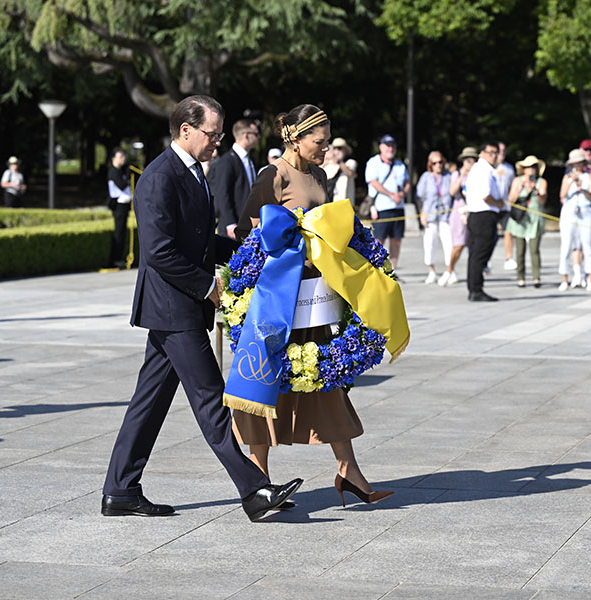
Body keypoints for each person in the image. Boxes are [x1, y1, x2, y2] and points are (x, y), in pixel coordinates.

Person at [101, 95, 302, 522]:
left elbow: (200, 242)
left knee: (149, 403)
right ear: (186, 130)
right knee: (212, 400)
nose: (218, 141)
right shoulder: (159, 177)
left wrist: (252, 250)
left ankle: (120, 490)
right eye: (212, 134)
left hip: (178, 308)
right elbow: (159, 252)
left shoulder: (193, 172)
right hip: (173, 308)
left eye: (220, 134)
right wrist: (208, 285)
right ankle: (253, 490)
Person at [234, 103, 393, 508]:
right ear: (295, 139)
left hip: (315, 297)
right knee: (264, 380)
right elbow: (249, 234)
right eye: (319, 142)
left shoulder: (318, 175)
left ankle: (349, 471)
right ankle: (260, 479)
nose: (326, 149)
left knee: (327, 380)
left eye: (326, 142)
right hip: (278, 299)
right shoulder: (273, 175)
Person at [465, 141, 504, 301]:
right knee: (480, 254)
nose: (494, 156)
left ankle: (474, 288)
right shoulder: (483, 169)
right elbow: (486, 196)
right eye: (491, 152)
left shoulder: (481, 169)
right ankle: (476, 289)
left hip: (478, 215)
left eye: (496, 153)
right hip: (483, 215)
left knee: (476, 253)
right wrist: (499, 203)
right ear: (482, 153)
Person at [210, 118, 259, 239]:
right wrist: (230, 223)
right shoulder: (227, 161)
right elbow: (222, 194)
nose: (259, 137)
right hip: (232, 228)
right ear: (246, 135)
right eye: (256, 134)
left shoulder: (250, 160)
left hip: (249, 225)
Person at [365, 134, 410, 269]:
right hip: (381, 207)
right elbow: (373, 182)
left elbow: (407, 182)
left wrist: (402, 194)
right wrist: (391, 195)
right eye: (387, 146)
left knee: (396, 240)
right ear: (381, 147)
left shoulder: (399, 164)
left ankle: (392, 269)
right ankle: (377, 269)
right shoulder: (374, 162)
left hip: (398, 207)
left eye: (392, 146)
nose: (390, 149)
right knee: (379, 240)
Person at [558, 148, 591, 291]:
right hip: (569, 211)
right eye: (574, 163)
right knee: (566, 245)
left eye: (579, 163)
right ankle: (564, 278)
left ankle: (590, 277)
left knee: (587, 245)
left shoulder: (589, 176)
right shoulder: (567, 176)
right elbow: (562, 195)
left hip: (585, 211)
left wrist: (581, 186)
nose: (577, 166)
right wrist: (571, 182)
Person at [506, 155, 547, 288]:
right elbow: (510, 200)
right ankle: (521, 277)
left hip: (535, 218)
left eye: (533, 167)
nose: (531, 169)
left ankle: (536, 277)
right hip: (520, 218)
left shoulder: (541, 182)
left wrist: (534, 189)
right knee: (520, 250)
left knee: (534, 249)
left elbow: (543, 201)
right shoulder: (517, 181)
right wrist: (520, 188)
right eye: (528, 167)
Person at [416, 151, 453, 285]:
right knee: (430, 243)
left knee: (448, 243)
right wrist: (422, 214)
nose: (438, 165)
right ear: (430, 164)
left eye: (440, 162)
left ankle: (450, 270)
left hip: (445, 215)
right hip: (430, 214)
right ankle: (432, 271)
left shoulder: (448, 176)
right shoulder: (426, 177)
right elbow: (419, 197)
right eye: (435, 163)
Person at [445, 147, 477, 287]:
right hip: (459, 212)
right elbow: (452, 191)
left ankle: (474, 274)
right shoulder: (457, 174)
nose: (470, 163)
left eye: (472, 160)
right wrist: (462, 175)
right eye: (467, 160)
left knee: (474, 245)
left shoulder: (478, 174)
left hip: (474, 210)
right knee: (458, 244)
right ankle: (449, 269)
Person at [107, 148, 132, 269]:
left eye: (124, 157)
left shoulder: (121, 171)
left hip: (124, 205)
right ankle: (115, 259)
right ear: (113, 159)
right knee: (118, 232)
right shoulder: (113, 171)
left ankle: (119, 258)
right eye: (120, 157)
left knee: (122, 233)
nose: (123, 159)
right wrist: (127, 177)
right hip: (118, 206)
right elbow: (121, 185)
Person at [494, 142, 516, 271]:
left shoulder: (509, 168)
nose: (502, 153)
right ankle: (487, 261)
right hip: (492, 206)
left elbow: (512, 186)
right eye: (499, 150)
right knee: (490, 234)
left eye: (504, 151)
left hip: (506, 206)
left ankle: (508, 258)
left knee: (508, 231)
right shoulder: (490, 168)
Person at [323, 137, 357, 204]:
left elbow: (350, 173)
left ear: (345, 150)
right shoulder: (328, 164)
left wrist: (339, 161)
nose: (337, 151)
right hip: (331, 202)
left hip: (346, 203)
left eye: (340, 148)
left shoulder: (350, 162)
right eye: (335, 148)